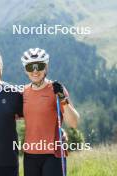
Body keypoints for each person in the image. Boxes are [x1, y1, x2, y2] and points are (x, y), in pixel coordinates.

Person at [20, 48, 80, 176]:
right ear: (25, 69)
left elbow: (73, 123)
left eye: (39, 66)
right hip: (30, 155)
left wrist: (63, 98)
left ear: (46, 67)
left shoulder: (56, 89)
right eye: (30, 67)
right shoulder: (23, 92)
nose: (35, 71)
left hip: (53, 154)